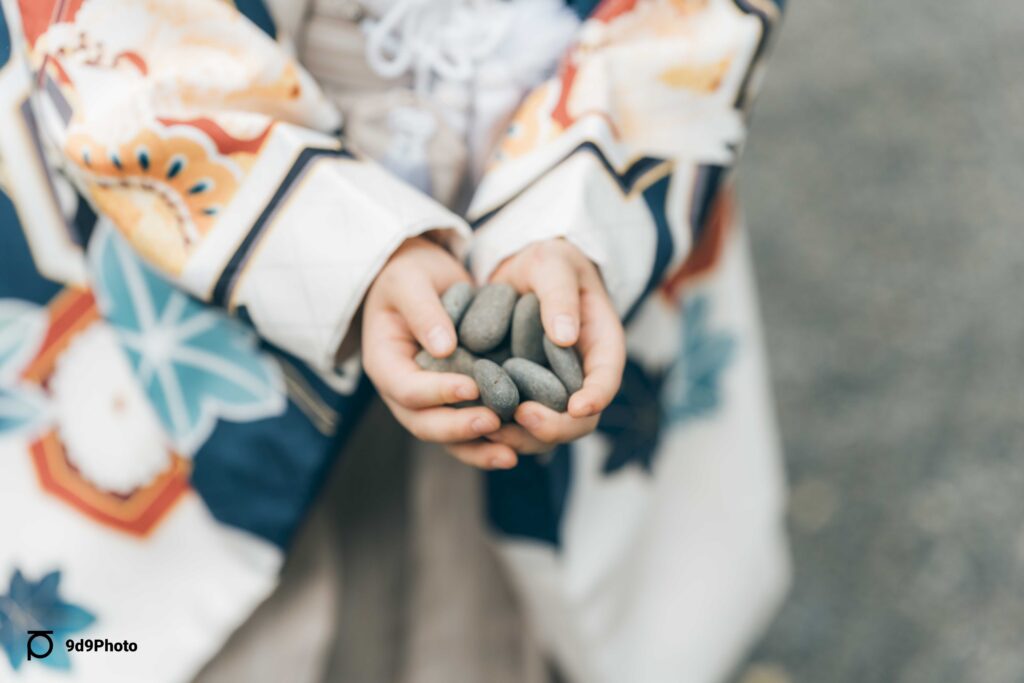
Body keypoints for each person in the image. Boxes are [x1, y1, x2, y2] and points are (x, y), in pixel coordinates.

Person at [0, 0, 789, 681]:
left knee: (484, 620)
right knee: (186, 634)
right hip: (201, 192)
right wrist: (334, 246)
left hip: (575, 125)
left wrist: (575, 220)